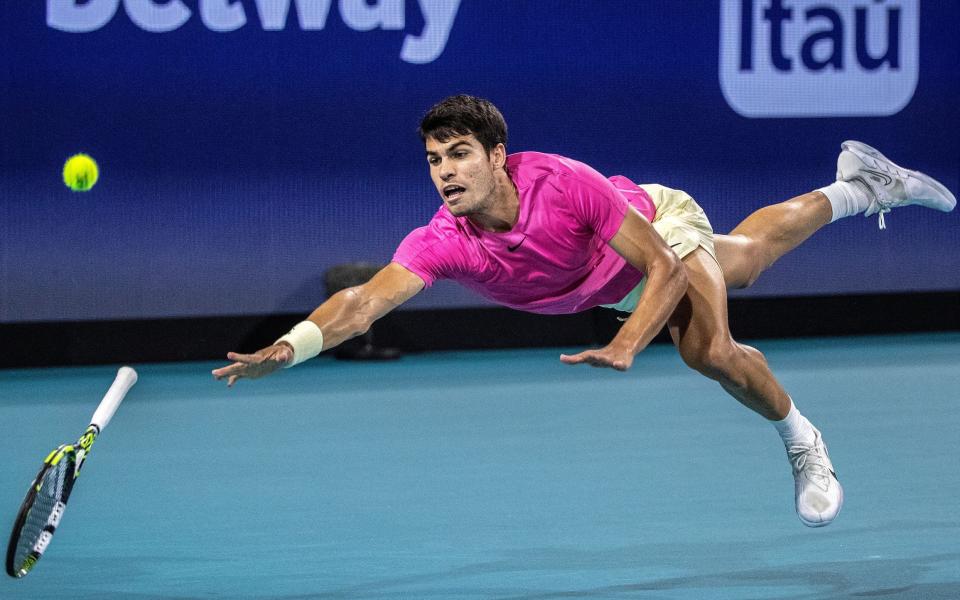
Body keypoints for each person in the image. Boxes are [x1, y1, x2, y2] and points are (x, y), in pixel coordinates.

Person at [212, 95, 956, 527]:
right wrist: (292, 345)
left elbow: (660, 264)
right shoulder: (442, 240)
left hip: (654, 231)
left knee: (707, 349)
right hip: (606, 284)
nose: (446, 173)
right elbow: (365, 300)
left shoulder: (563, 182)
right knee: (752, 259)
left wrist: (630, 343)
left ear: (498, 155)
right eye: (435, 160)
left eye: (461, 154)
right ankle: (861, 187)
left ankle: (803, 442)